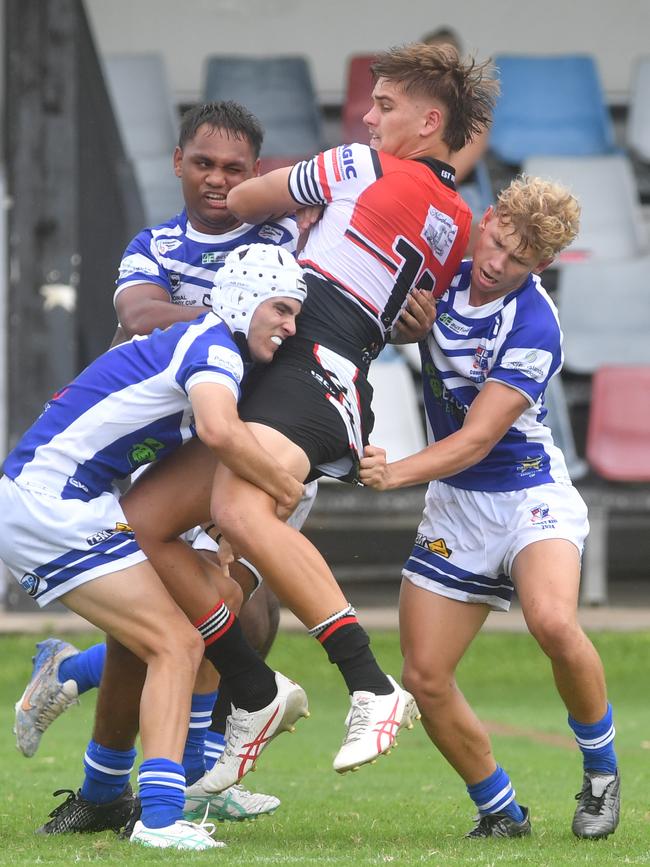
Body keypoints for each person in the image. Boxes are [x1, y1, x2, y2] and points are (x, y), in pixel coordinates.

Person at [122, 41, 498, 799]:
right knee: (147, 517)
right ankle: (254, 687)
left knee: (235, 507)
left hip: (307, 359)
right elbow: (400, 313)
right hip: (331, 365)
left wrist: (299, 198)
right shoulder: (456, 219)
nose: (368, 115)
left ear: (429, 121)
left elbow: (249, 201)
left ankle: (368, 682)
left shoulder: (359, 166)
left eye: (385, 106)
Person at [14, 100, 317, 825]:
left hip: (227, 442)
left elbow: (326, 302)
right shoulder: (156, 248)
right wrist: (238, 314)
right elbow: (141, 315)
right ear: (178, 163)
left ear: (256, 176)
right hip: (155, 458)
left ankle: (172, 774)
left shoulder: (283, 236)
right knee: (179, 623)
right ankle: (136, 791)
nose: (217, 180)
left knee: (232, 609)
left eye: (234, 169)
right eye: (204, 164)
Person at [359, 176, 620, 840]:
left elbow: (476, 439)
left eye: (521, 259)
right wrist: (397, 321)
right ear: (490, 218)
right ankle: (500, 809)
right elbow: (377, 311)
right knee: (424, 673)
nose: (500, 263)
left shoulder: (535, 324)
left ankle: (600, 774)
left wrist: (395, 475)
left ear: (543, 266)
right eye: (498, 240)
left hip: (530, 495)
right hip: (457, 509)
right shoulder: (441, 271)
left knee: (554, 621)